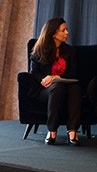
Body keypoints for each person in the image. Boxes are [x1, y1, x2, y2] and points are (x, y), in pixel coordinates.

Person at [29, 17, 82, 146]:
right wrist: (44, 80)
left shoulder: (70, 51)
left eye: (67, 29)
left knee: (75, 88)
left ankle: (73, 131)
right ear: (53, 33)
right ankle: (52, 130)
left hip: (66, 85)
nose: (67, 33)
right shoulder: (39, 50)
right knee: (57, 87)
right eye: (63, 30)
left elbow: (74, 73)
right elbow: (34, 72)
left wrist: (54, 77)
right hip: (46, 88)